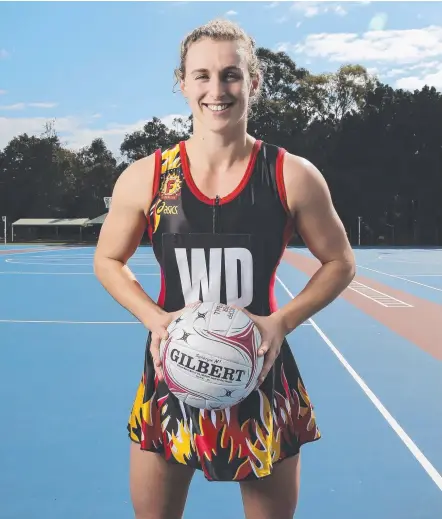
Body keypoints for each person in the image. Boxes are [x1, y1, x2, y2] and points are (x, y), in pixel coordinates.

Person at [94, 18, 356, 519]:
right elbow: (108, 259)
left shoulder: (291, 174)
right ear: (182, 82)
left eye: (231, 75)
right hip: (174, 376)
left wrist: (281, 322)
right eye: (202, 76)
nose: (218, 90)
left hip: (261, 374)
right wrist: (155, 319)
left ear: (254, 82)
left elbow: (340, 261)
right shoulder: (147, 175)